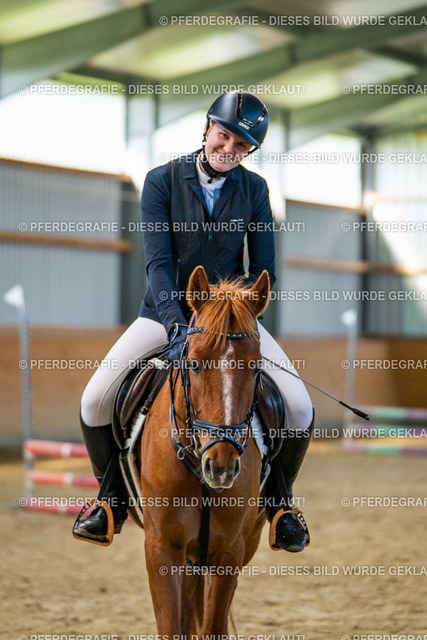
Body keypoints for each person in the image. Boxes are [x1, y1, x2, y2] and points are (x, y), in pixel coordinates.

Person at [73, 90, 314, 552]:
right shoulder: (161, 181)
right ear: (207, 128)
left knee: (300, 407)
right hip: (164, 315)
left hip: (230, 321)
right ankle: (110, 501)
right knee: (94, 400)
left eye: (242, 146)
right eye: (224, 136)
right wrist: (175, 324)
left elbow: (264, 268)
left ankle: (281, 505)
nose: (230, 149)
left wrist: (233, 313)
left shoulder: (255, 190)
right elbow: (159, 264)